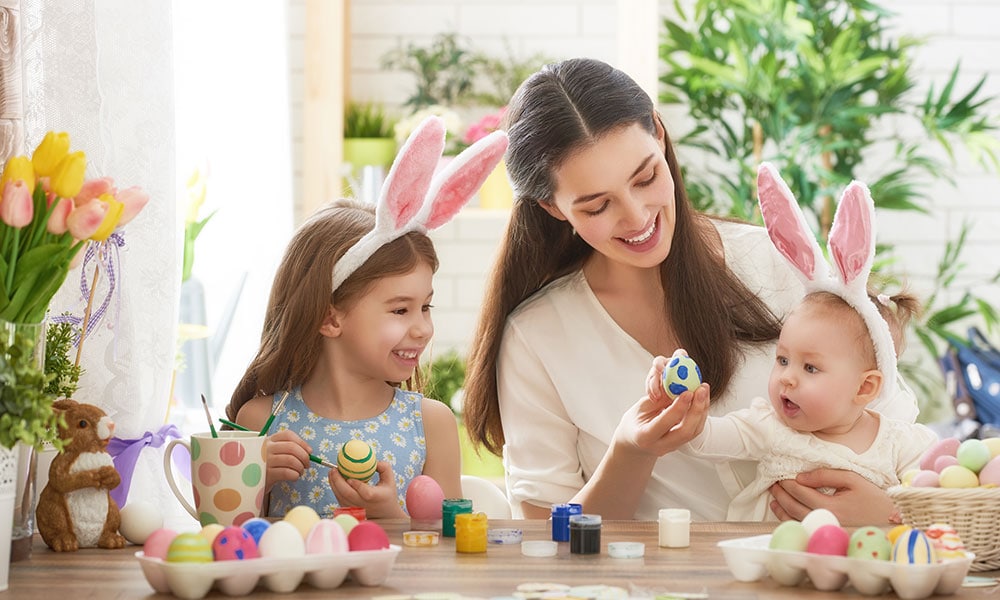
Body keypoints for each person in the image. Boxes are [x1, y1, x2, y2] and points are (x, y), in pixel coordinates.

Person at [461, 57, 920, 523]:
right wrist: (630, 454)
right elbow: (544, 534)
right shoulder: (538, 335)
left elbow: (896, 429)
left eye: (646, 178)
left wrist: (890, 513)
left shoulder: (775, 264)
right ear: (553, 208)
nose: (638, 217)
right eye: (598, 206)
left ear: (659, 136)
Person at [227, 117, 507, 519]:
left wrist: (388, 515)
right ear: (329, 318)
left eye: (425, 307)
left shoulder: (431, 424)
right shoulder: (260, 420)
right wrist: (253, 478)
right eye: (400, 310)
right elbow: (227, 540)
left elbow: (449, 556)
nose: (422, 328)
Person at [648, 289, 937, 521]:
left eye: (810, 368)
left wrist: (891, 512)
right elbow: (705, 439)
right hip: (771, 566)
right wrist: (685, 407)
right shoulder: (770, 426)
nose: (787, 378)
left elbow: (933, 500)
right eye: (783, 360)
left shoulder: (898, 443)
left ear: (864, 387)